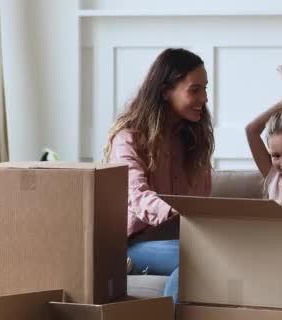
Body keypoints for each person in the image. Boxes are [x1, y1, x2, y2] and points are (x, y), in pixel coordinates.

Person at [104, 48, 214, 303]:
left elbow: (203, 201)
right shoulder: (128, 138)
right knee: (195, 260)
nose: (204, 98)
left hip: (183, 241)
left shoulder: (195, 142)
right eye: (194, 89)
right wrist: (177, 210)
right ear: (165, 91)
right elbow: (136, 194)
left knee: (217, 254)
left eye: (205, 89)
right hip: (133, 244)